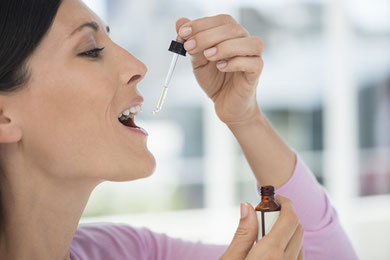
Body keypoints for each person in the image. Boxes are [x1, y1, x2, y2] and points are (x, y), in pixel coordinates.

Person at [0, 0, 358, 259]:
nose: (137, 66)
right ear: (4, 116)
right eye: (91, 51)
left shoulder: (123, 252)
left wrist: (245, 117)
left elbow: (320, 253)